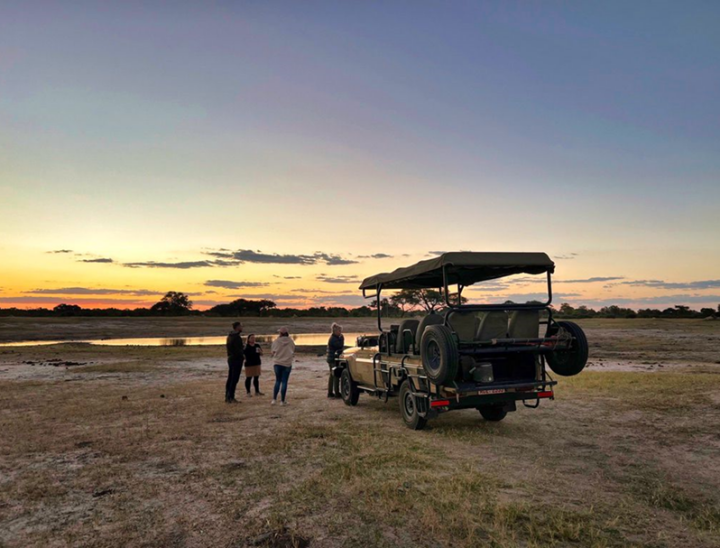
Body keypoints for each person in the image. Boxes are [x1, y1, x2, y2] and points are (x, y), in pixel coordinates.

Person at [270, 327, 295, 406]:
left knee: (278, 381)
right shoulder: (291, 341)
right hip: (287, 363)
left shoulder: (276, 341)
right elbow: (292, 351)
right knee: (284, 381)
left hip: (277, 363)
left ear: (280, 333)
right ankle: (282, 401)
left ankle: (274, 399)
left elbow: (273, 352)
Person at [225, 321, 244, 403]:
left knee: (230, 378)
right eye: (241, 326)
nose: (242, 328)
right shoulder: (236, 337)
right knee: (234, 379)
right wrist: (242, 356)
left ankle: (227, 396)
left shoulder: (230, 336)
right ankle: (231, 397)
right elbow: (238, 350)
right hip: (236, 359)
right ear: (237, 327)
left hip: (231, 358)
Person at [326, 322, 345, 398]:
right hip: (333, 359)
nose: (340, 332)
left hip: (331, 358)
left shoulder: (333, 338)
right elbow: (339, 346)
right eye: (339, 331)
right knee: (336, 375)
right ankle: (336, 393)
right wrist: (342, 339)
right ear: (335, 331)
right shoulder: (333, 339)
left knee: (332, 375)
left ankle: (330, 393)